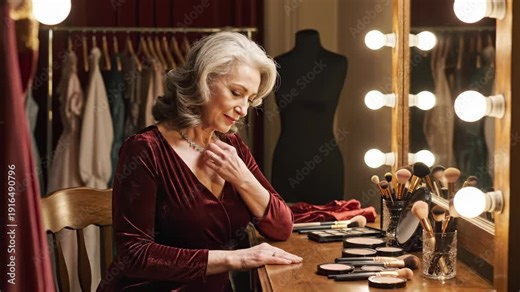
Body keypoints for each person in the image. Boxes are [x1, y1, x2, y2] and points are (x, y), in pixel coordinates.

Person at [97, 32, 302, 292]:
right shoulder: (145, 149)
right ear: (202, 81)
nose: (243, 109)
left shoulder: (232, 146)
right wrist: (235, 259)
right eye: (235, 92)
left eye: (249, 100)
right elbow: (134, 255)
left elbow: (282, 227)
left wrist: (243, 178)